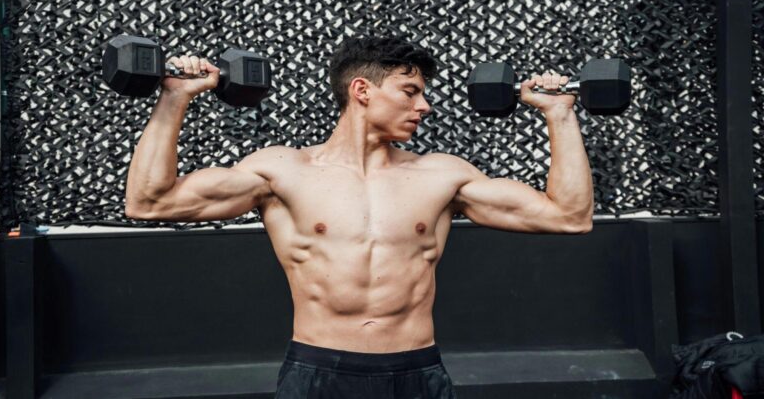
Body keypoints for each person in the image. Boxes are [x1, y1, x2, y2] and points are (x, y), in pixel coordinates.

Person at [124, 36, 594, 398]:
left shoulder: (442, 176)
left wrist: (559, 115)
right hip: (318, 372)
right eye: (410, 92)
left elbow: (568, 216)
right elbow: (150, 202)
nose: (424, 106)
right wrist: (175, 97)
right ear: (362, 90)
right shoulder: (283, 172)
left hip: (416, 372)